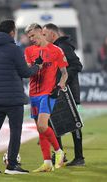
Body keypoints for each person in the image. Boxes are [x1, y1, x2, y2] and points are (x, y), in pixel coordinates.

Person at [0, 20, 41, 175]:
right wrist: (36, 67)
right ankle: (12, 165)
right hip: (13, 99)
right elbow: (25, 73)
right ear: (12, 32)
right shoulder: (15, 49)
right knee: (15, 131)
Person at [24, 23, 68, 172]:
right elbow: (28, 71)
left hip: (48, 93)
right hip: (33, 93)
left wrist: (60, 86)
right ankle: (47, 162)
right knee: (40, 129)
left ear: (41, 33)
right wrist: (34, 67)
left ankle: (59, 151)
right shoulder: (29, 51)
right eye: (29, 37)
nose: (31, 39)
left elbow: (64, 73)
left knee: (43, 126)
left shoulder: (56, 50)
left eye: (33, 36)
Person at [42, 23, 85, 166]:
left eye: (45, 34)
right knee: (54, 123)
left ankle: (79, 158)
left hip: (68, 93)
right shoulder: (53, 48)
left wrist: (64, 81)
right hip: (58, 92)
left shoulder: (63, 47)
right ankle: (60, 155)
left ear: (53, 35)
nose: (43, 37)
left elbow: (77, 65)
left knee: (73, 124)